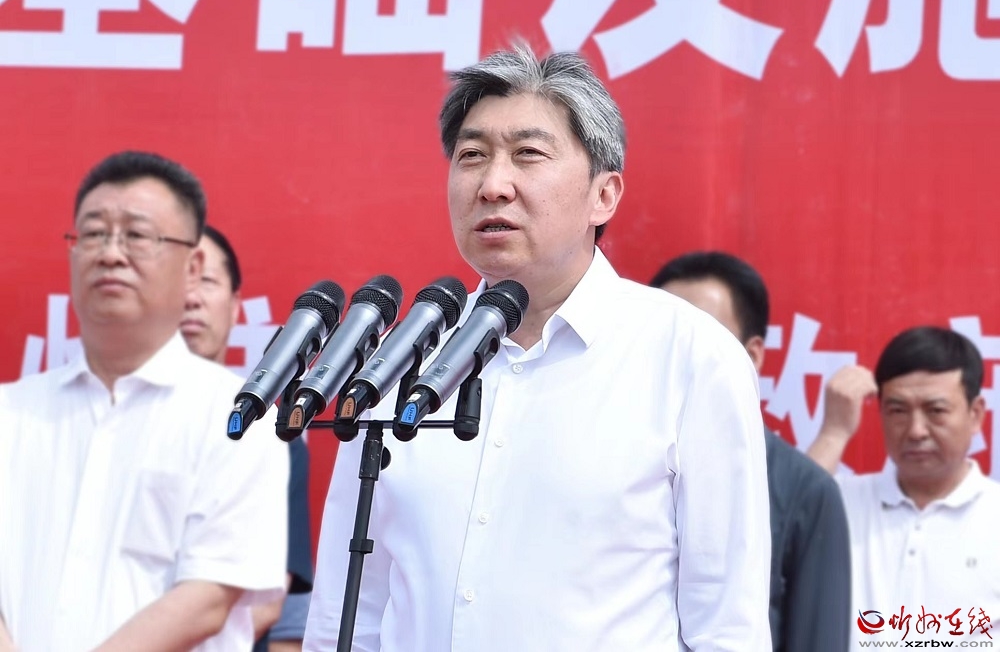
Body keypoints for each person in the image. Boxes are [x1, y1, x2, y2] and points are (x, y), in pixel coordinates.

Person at [304, 46, 771, 651]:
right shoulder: (398, 361)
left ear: (604, 195)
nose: (492, 185)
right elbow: (347, 613)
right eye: (472, 156)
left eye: (528, 154)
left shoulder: (690, 357)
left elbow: (726, 626)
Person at [0, 151, 288, 651]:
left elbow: (207, 599)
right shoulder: (11, 412)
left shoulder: (238, 416)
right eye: (94, 234)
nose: (111, 254)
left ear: (192, 266)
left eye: (136, 235)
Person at [651, 251, 850, 652]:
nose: (678, 358)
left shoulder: (806, 489)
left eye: (702, 341)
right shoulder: (605, 457)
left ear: (752, 355)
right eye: (665, 342)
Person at [810, 327, 999, 646]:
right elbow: (771, 543)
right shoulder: (840, 501)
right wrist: (833, 432)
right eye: (898, 410)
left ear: (976, 414)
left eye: (936, 411)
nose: (916, 431)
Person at [182, 225, 315, 652]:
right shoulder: (106, 416)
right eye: (178, 279)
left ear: (236, 304)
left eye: (206, 280)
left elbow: (276, 611)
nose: (191, 298)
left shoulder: (270, 433)